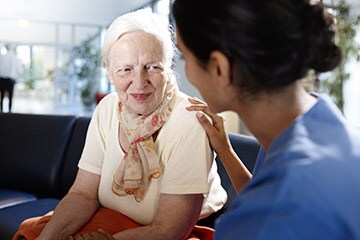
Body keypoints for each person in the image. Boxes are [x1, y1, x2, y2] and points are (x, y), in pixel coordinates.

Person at [14, 9, 226, 240]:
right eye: (126, 69)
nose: (140, 82)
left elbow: (169, 230)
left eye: (152, 67)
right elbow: (83, 195)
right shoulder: (107, 107)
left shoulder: (189, 120)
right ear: (109, 73)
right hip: (108, 218)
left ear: (168, 68)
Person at [172, 0, 360, 239]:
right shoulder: (321, 127)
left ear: (219, 68)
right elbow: (263, 190)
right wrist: (225, 150)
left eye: (184, 57)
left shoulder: (267, 215)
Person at [0, 44, 23, 112]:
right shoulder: (16, 58)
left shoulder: (2, 57)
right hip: (11, 80)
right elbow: (19, 70)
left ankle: (1, 111)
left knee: (2, 96)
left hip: (2, 79)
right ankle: (9, 111)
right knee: (10, 96)